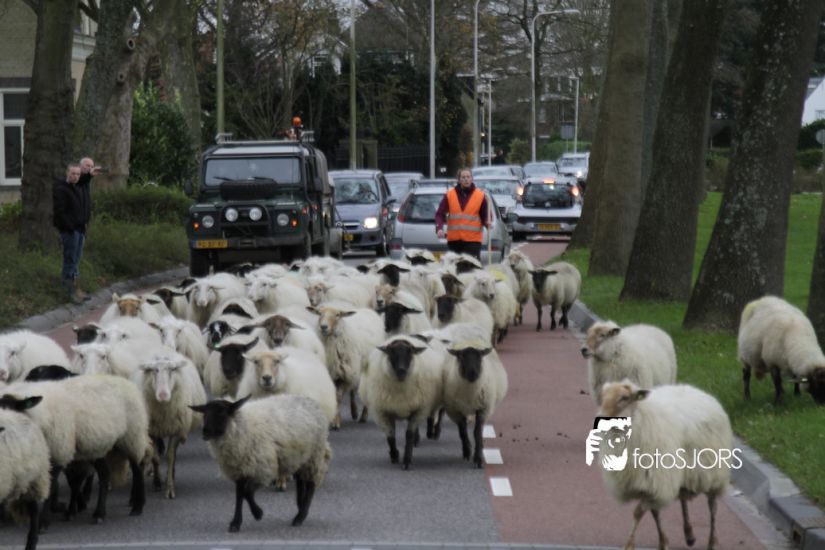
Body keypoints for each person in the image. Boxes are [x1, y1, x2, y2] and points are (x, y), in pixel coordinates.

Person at [53, 158, 100, 304]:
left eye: (78, 174)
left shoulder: (78, 186)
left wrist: (89, 176)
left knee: (76, 261)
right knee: (70, 260)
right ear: (67, 173)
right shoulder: (61, 188)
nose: (75, 176)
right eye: (73, 173)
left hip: (80, 229)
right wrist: (71, 227)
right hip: (70, 231)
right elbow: (60, 212)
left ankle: (75, 289)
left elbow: (84, 181)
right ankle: (69, 291)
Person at [434, 168, 490, 260]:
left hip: (473, 241)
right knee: (454, 266)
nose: (466, 179)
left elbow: (485, 216)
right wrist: (439, 228)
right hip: (454, 242)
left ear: (472, 179)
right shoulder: (450, 195)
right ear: (459, 180)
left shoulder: (480, 196)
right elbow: (439, 214)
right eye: (463, 177)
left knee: (470, 267)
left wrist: (488, 223)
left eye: (468, 177)